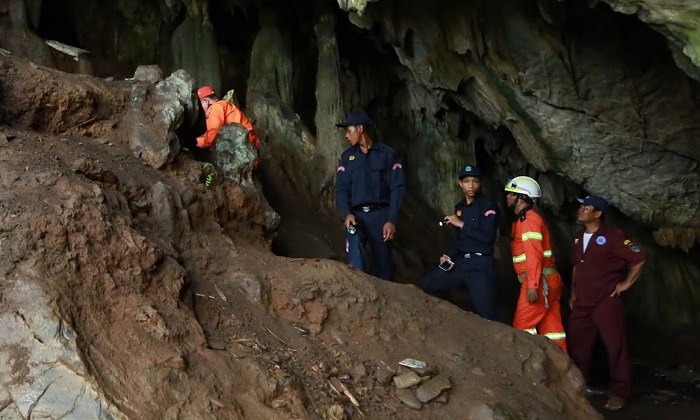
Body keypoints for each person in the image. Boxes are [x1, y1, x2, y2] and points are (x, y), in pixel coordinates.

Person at [568, 195, 646, 411]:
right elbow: (577, 266)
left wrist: (625, 284)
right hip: (582, 301)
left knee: (615, 346)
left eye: (586, 207)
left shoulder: (613, 236)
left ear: (598, 213)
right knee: (577, 346)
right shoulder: (577, 237)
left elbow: (639, 258)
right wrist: (573, 292)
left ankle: (620, 392)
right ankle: (579, 386)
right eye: (581, 206)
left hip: (605, 301)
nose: (581, 210)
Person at [419, 165, 499, 320]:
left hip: (480, 264)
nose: (471, 185)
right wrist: (449, 255)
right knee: (427, 283)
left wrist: (462, 224)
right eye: (467, 181)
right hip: (461, 262)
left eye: (475, 181)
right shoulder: (460, 208)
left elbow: (488, 237)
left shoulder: (488, 205)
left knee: (488, 314)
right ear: (460, 184)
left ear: (480, 183)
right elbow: (460, 239)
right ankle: (444, 321)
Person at [335, 112, 405, 280]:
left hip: (380, 216)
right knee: (355, 244)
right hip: (356, 216)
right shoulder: (347, 158)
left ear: (360, 129)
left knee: (384, 264)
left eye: (349, 130)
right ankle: (359, 286)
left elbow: (397, 188)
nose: (346, 135)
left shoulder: (387, 155)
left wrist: (391, 220)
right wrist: (347, 213)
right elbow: (341, 189)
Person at [504, 176, 567, 351]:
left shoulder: (529, 220)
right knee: (552, 329)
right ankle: (563, 368)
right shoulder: (525, 220)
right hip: (548, 279)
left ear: (522, 198)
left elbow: (534, 254)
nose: (507, 197)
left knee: (522, 326)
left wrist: (532, 284)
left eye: (511, 194)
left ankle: (528, 372)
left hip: (539, 282)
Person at [195, 86, 260, 164]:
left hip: (242, 145)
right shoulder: (224, 104)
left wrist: (197, 144)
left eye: (201, 102)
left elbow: (214, 132)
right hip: (248, 142)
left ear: (205, 101)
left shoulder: (214, 109)